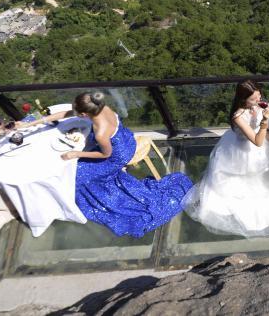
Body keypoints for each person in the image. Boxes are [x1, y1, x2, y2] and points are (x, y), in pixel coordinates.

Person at [36, 91, 193, 237]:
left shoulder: (100, 132)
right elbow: (70, 113)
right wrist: (38, 121)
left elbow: (105, 154)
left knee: (79, 174)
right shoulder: (102, 108)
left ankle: (91, 199)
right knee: (80, 165)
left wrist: (76, 154)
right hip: (126, 139)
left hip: (116, 156)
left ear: (85, 114)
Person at [183, 80, 269, 237]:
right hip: (247, 150)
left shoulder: (257, 103)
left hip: (262, 136)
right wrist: (264, 120)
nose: (258, 100)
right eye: (253, 99)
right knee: (252, 184)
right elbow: (258, 142)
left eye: (259, 95)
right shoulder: (238, 117)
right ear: (243, 99)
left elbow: (264, 127)